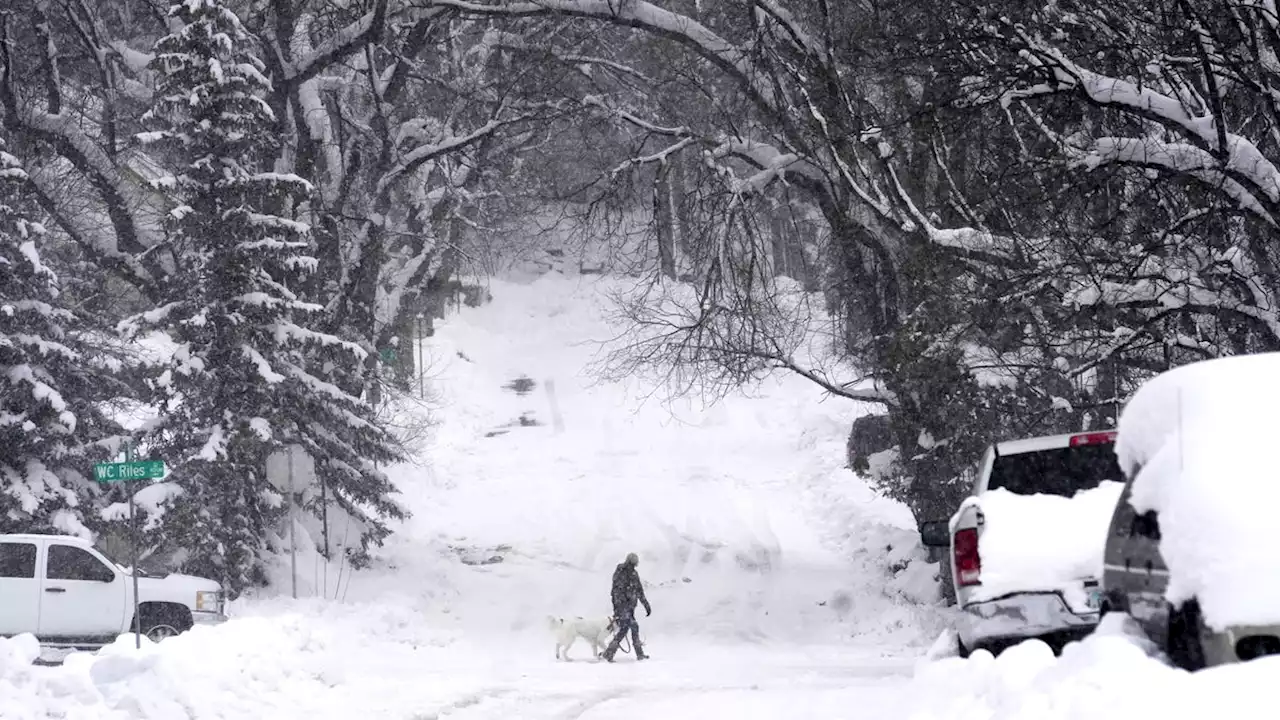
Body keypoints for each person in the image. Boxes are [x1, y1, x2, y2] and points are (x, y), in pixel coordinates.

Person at [602, 552, 651, 662]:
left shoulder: (634, 574)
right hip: (622, 608)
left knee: (624, 629)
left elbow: (639, 591)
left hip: (629, 608)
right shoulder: (620, 572)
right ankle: (639, 654)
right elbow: (616, 592)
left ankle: (609, 653)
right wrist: (619, 608)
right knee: (634, 626)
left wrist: (646, 605)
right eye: (632, 563)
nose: (632, 566)